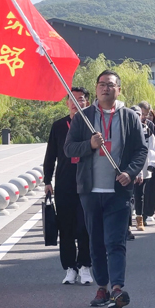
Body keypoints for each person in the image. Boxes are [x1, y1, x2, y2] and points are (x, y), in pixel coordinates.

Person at [65, 70, 148, 308]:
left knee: (115, 241)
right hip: (91, 191)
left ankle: (117, 288)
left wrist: (130, 172)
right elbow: (69, 148)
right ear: (96, 88)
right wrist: (89, 145)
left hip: (118, 192)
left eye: (110, 85)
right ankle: (102, 287)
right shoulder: (84, 117)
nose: (105, 88)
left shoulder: (129, 117)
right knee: (96, 242)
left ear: (118, 90)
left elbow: (140, 150)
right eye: (101, 84)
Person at [43, 87, 93, 285]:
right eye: (72, 99)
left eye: (80, 99)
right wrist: (47, 180)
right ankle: (70, 268)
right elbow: (50, 155)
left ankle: (85, 266)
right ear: (67, 103)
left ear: (86, 103)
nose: (76, 102)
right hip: (64, 184)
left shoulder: (92, 125)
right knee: (65, 228)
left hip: (87, 182)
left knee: (85, 227)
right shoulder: (58, 126)